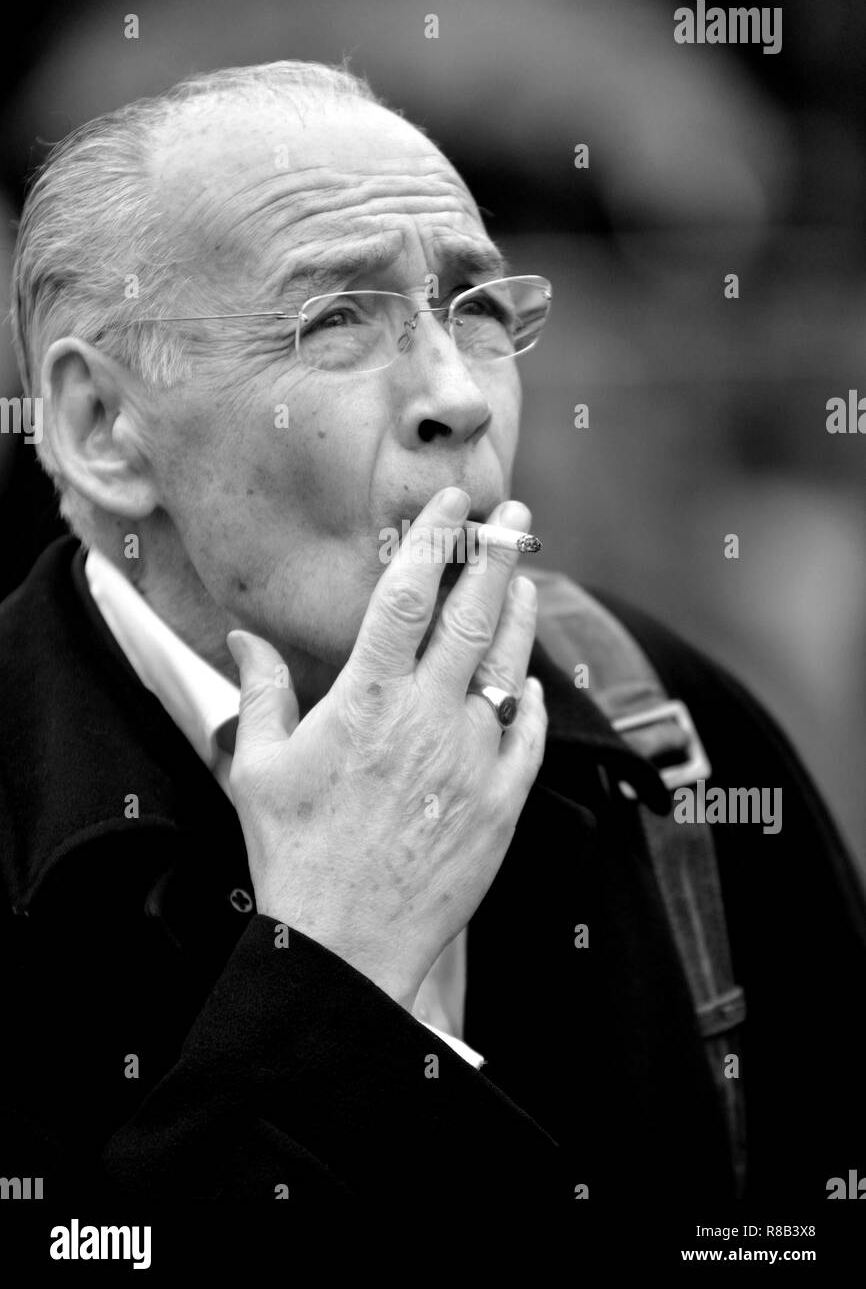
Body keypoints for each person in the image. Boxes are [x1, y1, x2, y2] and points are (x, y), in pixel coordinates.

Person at [1, 61, 863, 1211]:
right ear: (104, 428)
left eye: (479, 309)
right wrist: (333, 962)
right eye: (336, 319)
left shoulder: (669, 726)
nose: (455, 394)